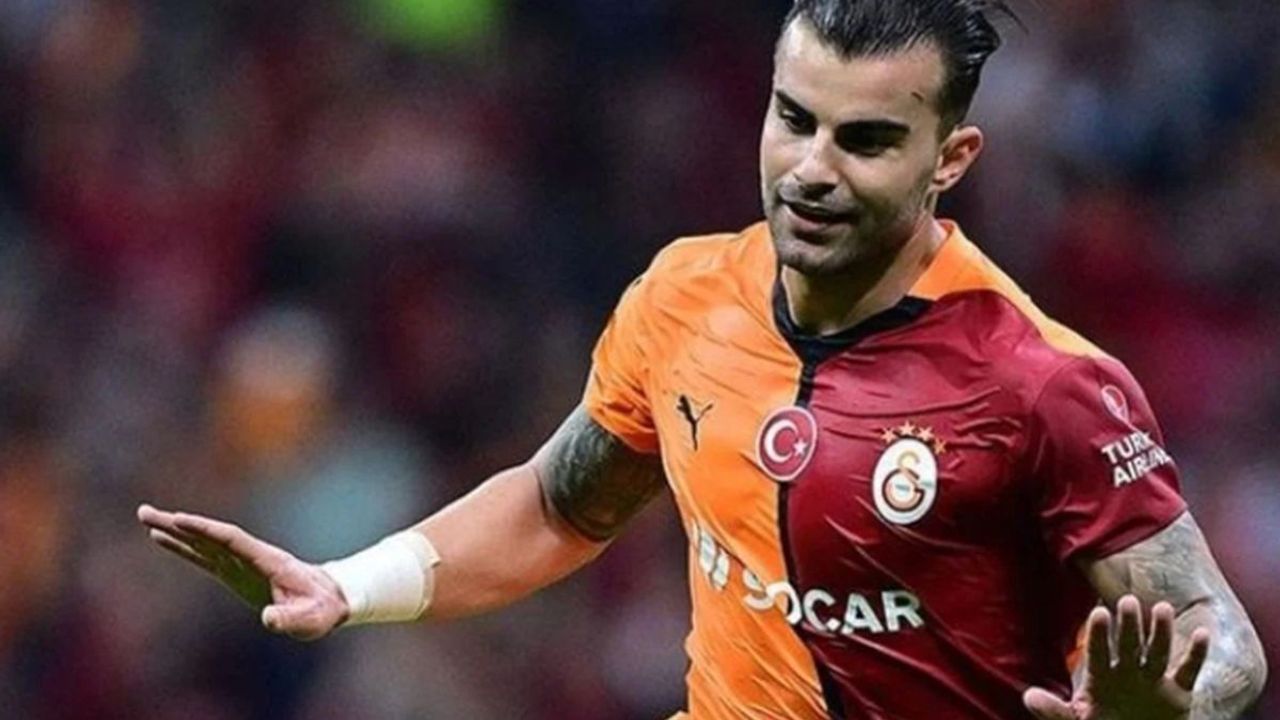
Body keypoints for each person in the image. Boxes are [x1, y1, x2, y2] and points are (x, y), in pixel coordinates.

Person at [138, 1, 1268, 718]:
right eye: (794, 119)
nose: (812, 168)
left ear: (950, 157)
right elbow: (555, 506)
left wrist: (1165, 715)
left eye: (866, 140)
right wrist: (348, 586)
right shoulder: (685, 294)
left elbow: (1225, 643)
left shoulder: (1044, 384)